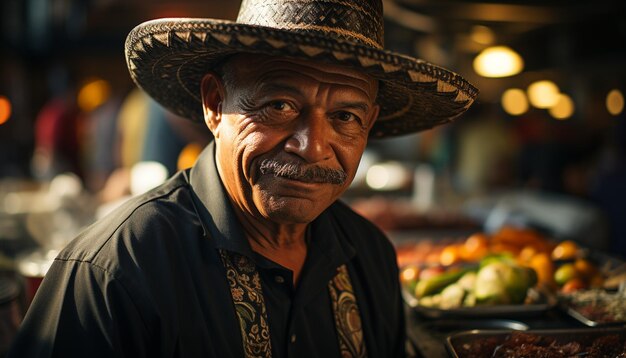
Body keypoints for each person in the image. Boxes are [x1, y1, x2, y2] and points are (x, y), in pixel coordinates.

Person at [8, 0, 477, 357]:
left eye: (345, 116)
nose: (312, 146)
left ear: (369, 124)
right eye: (279, 106)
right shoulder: (117, 271)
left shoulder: (369, 256)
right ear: (214, 104)